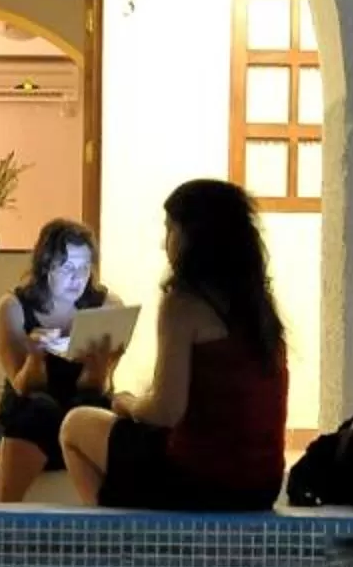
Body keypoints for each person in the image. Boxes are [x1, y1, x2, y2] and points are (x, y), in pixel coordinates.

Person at [56, 179, 290, 512]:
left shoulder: (184, 304)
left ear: (192, 236)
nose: (164, 242)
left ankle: (112, 545)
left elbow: (166, 410)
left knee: (74, 425)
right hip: (261, 485)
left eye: (170, 229)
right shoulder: (259, 306)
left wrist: (128, 404)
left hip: (199, 478)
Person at [0, 220, 125, 504]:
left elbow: (97, 387)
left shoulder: (107, 305)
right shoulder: (13, 307)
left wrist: (99, 365)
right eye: (67, 269)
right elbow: (22, 386)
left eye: (85, 268)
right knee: (39, 408)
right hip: (28, 417)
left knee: (90, 408)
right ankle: (6, 513)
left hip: (79, 420)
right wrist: (36, 356)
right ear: (45, 266)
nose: (77, 279)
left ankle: (105, 523)